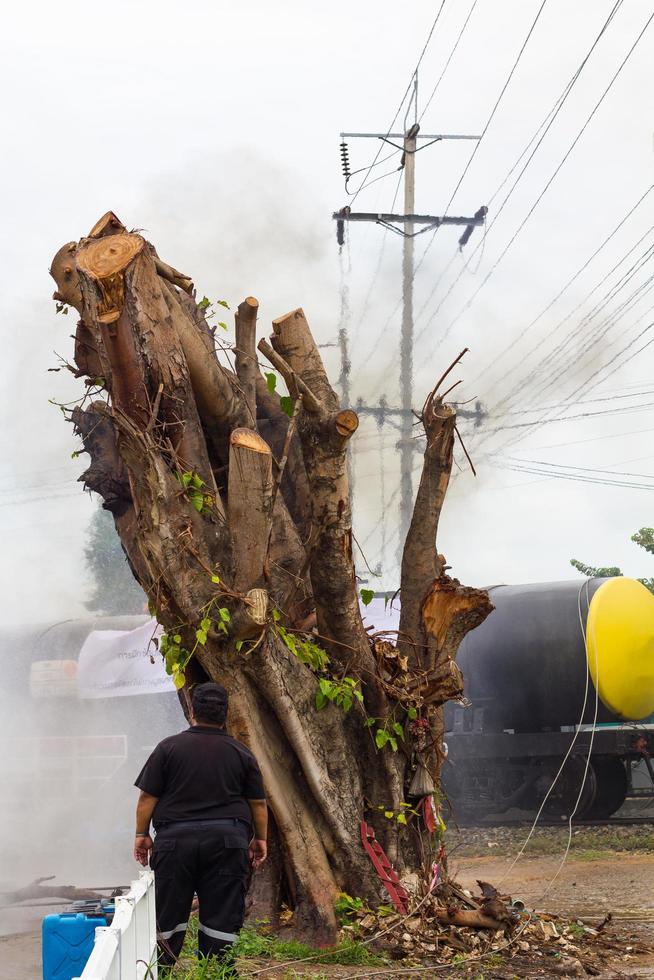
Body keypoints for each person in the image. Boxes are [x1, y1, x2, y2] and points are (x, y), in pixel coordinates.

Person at [133, 682, 267, 970]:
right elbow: (258, 803)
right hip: (228, 842)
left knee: (167, 915)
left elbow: (147, 797)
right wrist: (259, 839)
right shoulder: (241, 753)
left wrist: (141, 834)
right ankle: (217, 972)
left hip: (174, 842)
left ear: (192, 711)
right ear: (226, 714)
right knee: (222, 916)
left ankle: (161, 971)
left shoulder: (168, 748)